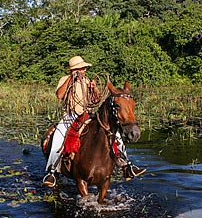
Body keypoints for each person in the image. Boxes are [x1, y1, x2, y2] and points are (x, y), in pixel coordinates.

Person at [43, 55, 146, 187]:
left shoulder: (87, 81)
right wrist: (71, 78)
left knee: (115, 134)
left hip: (87, 115)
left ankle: (126, 166)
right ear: (74, 70)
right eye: (81, 68)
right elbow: (59, 95)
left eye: (84, 68)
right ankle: (52, 171)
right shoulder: (64, 79)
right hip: (70, 115)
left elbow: (96, 100)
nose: (84, 71)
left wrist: (94, 88)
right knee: (58, 137)